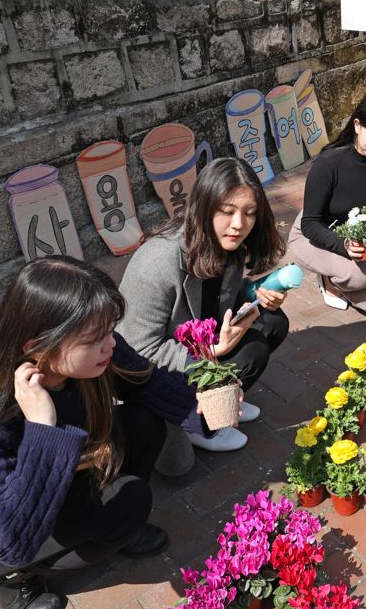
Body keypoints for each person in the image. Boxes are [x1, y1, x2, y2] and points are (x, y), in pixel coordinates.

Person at [0, 257, 205, 609]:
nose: (110, 344)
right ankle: (13, 581)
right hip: (10, 528)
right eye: (94, 339)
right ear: (36, 346)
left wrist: (203, 404)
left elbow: (144, 380)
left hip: (62, 473)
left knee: (145, 421)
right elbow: (10, 536)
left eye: (110, 329)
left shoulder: (97, 347)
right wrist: (42, 428)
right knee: (132, 500)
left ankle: (111, 527)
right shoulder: (0, 408)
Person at [119, 157, 288, 453]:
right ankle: (203, 422)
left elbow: (222, 298)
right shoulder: (158, 262)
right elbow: (136, 349)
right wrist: (212, 353)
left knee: (274, 321)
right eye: (227, 211)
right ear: (204, 206)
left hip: (203, 342)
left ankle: (222, 398)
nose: (239, 225)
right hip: (151, 369)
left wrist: (257, 296)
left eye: (249, 213)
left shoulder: (231, 245)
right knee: (253, 353)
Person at [288, 92, 366, 316]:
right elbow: (310, 224)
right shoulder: (329, 163)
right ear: (358, 125)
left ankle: (359, 288)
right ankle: (330, 280)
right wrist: (343, 246)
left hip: (356, 232)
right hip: (315, 233)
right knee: (358, 276)